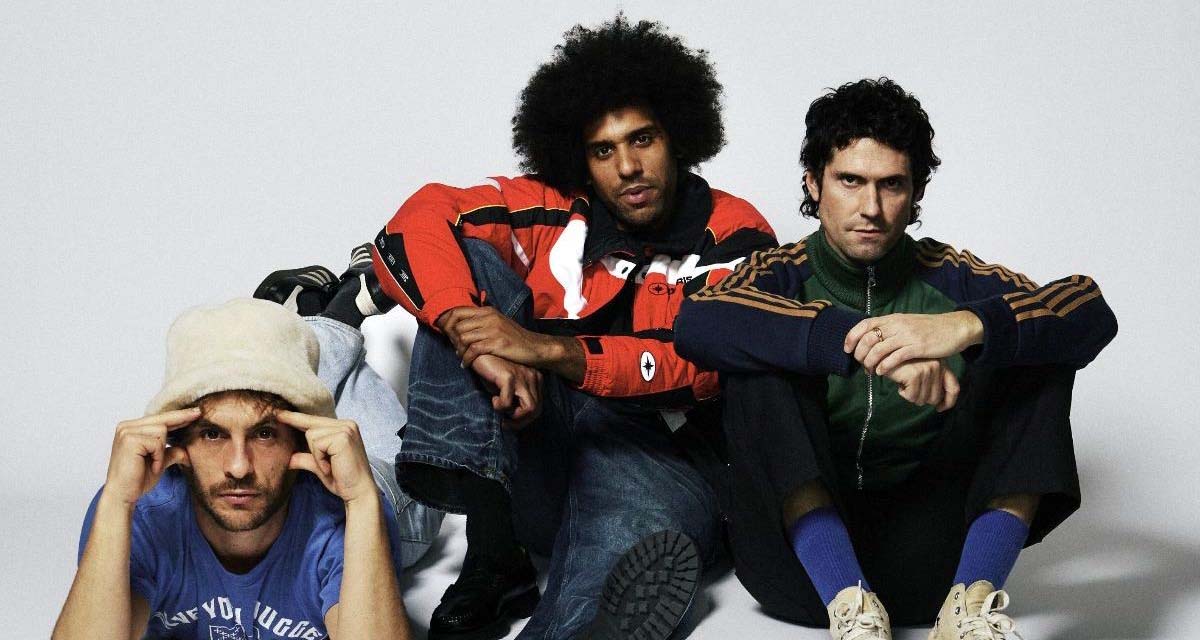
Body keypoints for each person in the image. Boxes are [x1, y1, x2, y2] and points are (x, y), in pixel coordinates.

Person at [336, 15, 776, 640]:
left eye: (642, 140)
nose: (627, 167)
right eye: (603, 150)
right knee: (466, 263)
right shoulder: (554, 209)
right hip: (533, 460)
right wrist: (474, 338)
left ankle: (588, 600)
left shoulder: (735, 231)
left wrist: (543, 349)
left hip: (663, 461)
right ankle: (493, 546)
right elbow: (421, 215)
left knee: (616, 573)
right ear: (581, 159)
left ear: (677, 136)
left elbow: (701, 365)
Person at [674, 78, 1117, 640]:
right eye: (850, 181)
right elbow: (697, 320)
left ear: (916, 192)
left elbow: (1088, 309)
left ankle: (969, 609)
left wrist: (960, 327)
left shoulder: (951, 276)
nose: (871, 208)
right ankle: (852, 610)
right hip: (800, 571)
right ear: (813, 183)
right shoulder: (779, 273)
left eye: (892, 185)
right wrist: (871, 345)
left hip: (933, 563)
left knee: (1035, 341)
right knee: (756, 357)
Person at [53, 297, 434, 639]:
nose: (238, 467)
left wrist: (362, 499)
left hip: (351, 483)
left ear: (300, 440)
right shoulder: (138, 509)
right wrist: (117, 500)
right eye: (212, 434)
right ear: (177, 440)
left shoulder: (343, 511)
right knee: (295, 389)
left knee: (423, 476)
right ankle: (292, 327)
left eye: (264, 434)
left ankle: (340, 316)